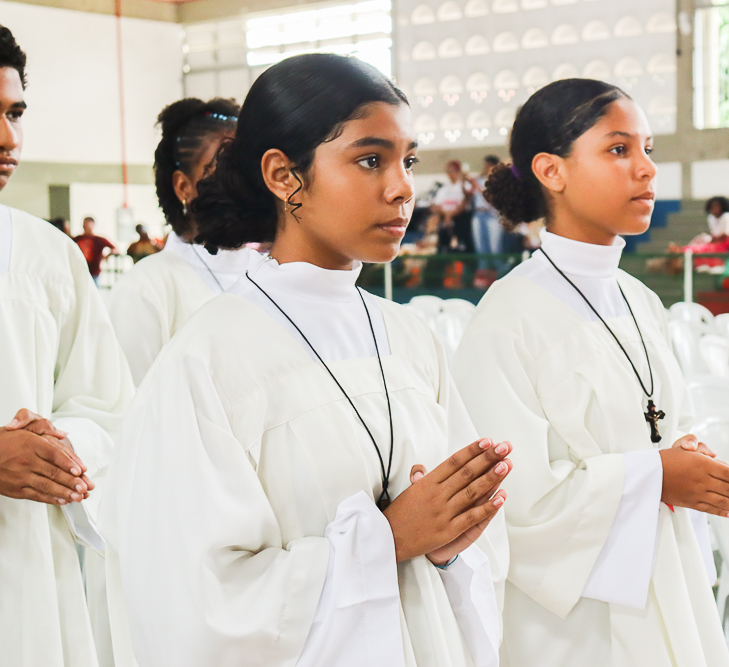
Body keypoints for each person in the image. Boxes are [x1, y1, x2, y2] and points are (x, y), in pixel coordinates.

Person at [100, 54, 510, 667]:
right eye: (370, 160)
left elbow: (477, 559)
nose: (402, 188)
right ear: (283, 176)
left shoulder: (409, 336)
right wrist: (387, 539)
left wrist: (453, 542)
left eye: (409, 161)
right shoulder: (208, 359)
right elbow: (195, 602)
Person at [452, 78, 729, 667]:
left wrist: (685, 457)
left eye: (648, 149)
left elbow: (662, 422)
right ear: (552, 171)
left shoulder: (638, 298)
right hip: (575, 626)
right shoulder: (507, 319)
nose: (646, 169)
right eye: (619, 149)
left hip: (663, 568)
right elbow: (514, 502)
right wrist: (656, 477)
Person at [0, 25, 133, 667]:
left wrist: (60, 446)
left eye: (15, 113)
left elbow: (108, 410)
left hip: (30, 565)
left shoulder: (47, 257)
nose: (8, 139)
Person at [105, 98, 263, 385]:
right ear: (183, 186)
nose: (243, 181)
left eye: (247, 166)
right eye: (222, 167)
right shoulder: (144, 289)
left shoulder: (272, 270)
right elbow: (133, 400)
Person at [472, 155, 504, 285]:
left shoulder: (498, 182)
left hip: (492, 215)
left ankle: (499, 275)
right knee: (481, 247)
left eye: (489, 165)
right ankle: (483, 276)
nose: (486, 167)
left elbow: (489, 197)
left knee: (495, 247)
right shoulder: (480, 179)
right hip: (479, 213)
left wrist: (476, 186)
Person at [432, 159, 474, 253]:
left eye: (452, 171)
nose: (450, 174)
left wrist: (450, 215)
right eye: (448, 171)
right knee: (445, 246)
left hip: (461, 221)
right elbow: (437, 205)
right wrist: (446, 215)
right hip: (446, 222)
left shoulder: (465, 186)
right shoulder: (444, 189)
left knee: (462, 247)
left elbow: (465, 203)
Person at [73, 216, 115, 284]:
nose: (86, 227)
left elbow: (114, 248)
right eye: (85, 225)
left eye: (87, 225)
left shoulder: (99, 240)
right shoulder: (78, 239)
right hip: (80, 270)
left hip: (94, 272)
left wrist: (107, 256)